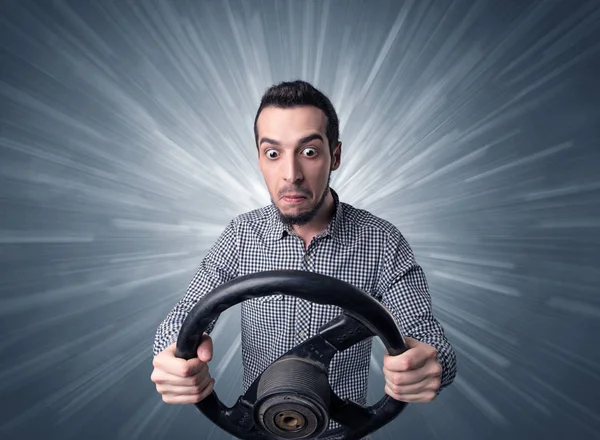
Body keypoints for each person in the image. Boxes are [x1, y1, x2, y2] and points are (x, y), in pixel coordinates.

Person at [151, 80, 457, 439]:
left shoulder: (383, 240)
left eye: (309, 152)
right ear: (260, 159)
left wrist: (424, 365)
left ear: (335, 156)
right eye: (273, 153)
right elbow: (184, 316)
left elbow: (428, 341)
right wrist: (175, 356)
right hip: (258, 428)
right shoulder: (239, 235)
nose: (291, 174)